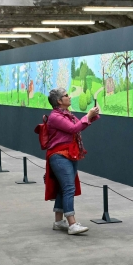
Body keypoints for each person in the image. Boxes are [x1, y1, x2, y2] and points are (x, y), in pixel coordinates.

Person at [44, 87, 100, 235]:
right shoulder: (55, 117)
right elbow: (74, 128)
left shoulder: (66, 114)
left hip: (70, 154)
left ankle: (58, 221)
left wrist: (92, 116)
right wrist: (88, 115)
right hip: (59, 155)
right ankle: (72, 224)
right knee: (69, 188)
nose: (69, 97)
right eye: (66, 95)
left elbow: (79, 126)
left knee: (64, 188)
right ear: (59, 101)